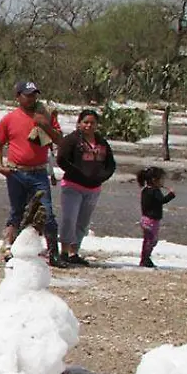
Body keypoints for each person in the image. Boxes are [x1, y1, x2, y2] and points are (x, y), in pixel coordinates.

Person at [0, 80, 65, 265]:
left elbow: (59, 140)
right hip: (16, 172)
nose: (31, 98)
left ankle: (53, 253)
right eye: (27, 95)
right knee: (17, 211)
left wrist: (45, 125)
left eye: (34, 95)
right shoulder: (9, 119)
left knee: (46, 212)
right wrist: (0, 166)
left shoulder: (45, 116)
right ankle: (9, 247)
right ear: (18, 97)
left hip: (39, 172)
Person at [57, 109, 118, 266]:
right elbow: (62, 159)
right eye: (86, 122)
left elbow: (111, 164)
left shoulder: (102, 143)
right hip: (73, 185)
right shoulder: (72, 140)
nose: (89, 126)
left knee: (83, 222)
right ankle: (63, 251)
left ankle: (74, 252)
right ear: (79, 123)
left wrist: (102, 177)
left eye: (92, 123)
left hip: (93, 189)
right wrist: (78, 173)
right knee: (69, 219)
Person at [138, 166, 174, 268]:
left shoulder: (145, 190)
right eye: (161, 179)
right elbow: (162, 201)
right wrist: (171, 194)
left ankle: (145, 258)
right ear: (155, 180)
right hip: (151, 220)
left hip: (146, 219)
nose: (163, 182)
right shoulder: (154, 191)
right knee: (151, 240)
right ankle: (145, 259)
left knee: (149, 240)